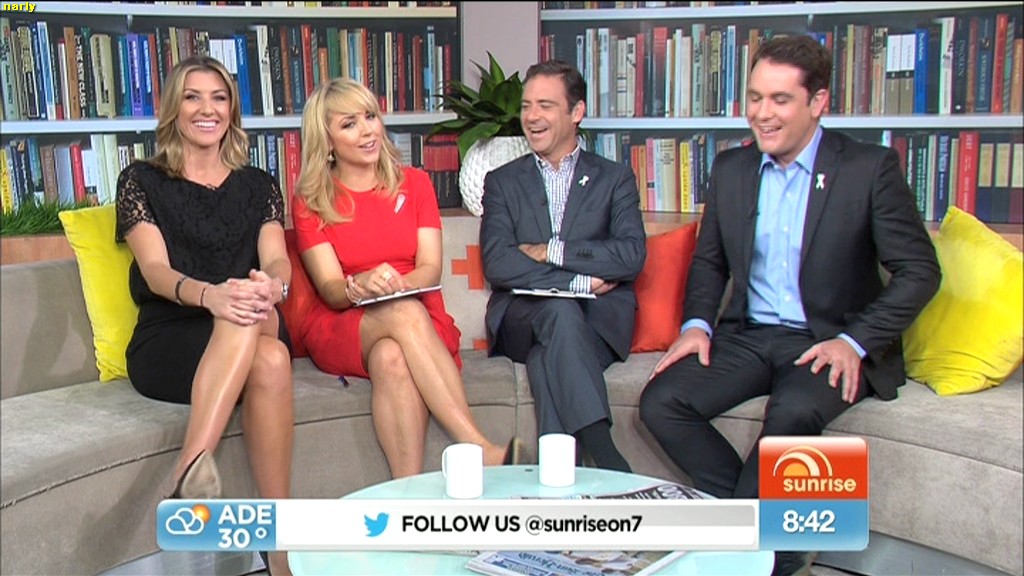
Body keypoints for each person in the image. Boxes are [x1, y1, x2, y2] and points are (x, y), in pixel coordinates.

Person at [639, 36, 941, 576]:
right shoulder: (731, 169)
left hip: (829, 337)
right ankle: (751, 528)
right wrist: (697, 324)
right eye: (755, 97)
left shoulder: (868, 169)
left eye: (780, 99)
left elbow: (920, 271)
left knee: (793, 412)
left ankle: (753, 557)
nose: (762, 113)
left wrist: (855, 342)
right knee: (662, 401)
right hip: (750, 334)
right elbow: (710, 262)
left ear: (817, 102)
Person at [115, 56, 294, 575]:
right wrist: (211, 296)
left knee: (246, 311)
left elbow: (276, 258)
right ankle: (279, 552)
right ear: (174, 108)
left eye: (218, 97)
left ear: (231, 109)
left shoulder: (258, 184)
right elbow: (154, 271)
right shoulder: (141, 180)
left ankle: (187, 474)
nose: (206, 109)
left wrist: (273, 284)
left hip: (247, 314)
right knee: (272, 361)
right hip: (171, 336)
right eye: (192, 97)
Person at [291, 77, 519, 478]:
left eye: (370, 116)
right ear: (326, 141)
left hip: (419, 311)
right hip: (345, 321)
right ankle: (478, 447)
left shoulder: (415, 183)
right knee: (403, 314)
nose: (367, 131)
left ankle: (406, 493)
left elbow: (430, 267)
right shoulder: (311, 200)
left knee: (391, 357)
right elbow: (329, 289)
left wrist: (400, 286)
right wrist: (358, 285)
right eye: (349, 124)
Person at [479, 60, 647, 473]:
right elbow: (498, 262)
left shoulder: (615, 178)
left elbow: (629, 255)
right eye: (526, 106)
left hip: (597, 323)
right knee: (558, 310)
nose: (531, 116)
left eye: (546, 105)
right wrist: (579, 281)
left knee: (546, 359)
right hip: (522, 318)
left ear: (576, 112)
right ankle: (606, 457)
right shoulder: (502, 181)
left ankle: (556, 481)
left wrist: (552, 251)